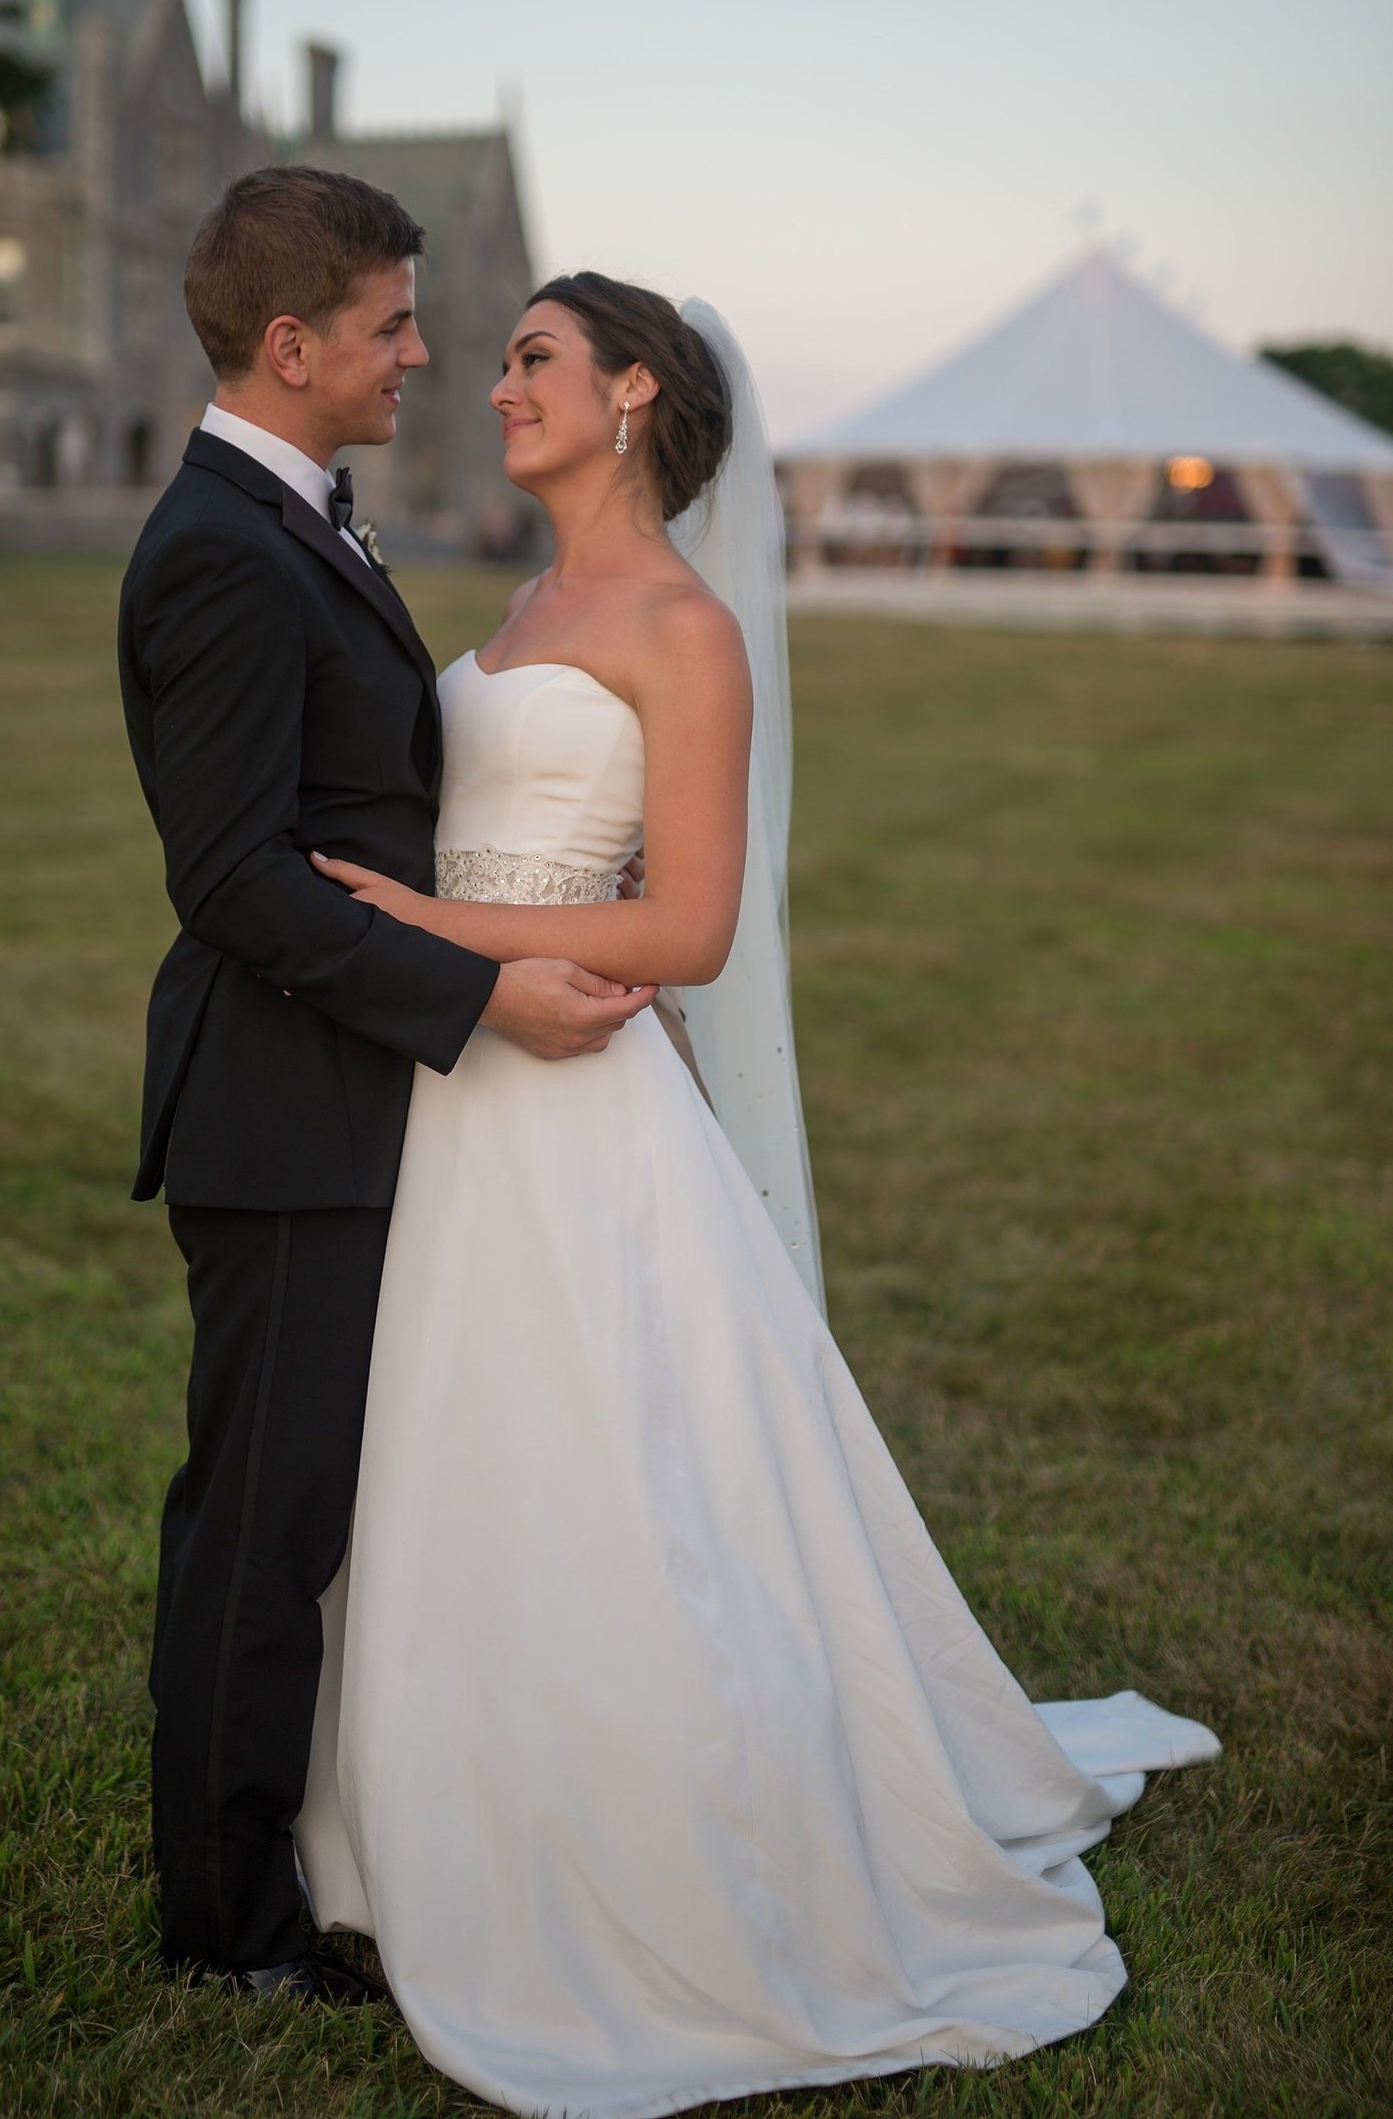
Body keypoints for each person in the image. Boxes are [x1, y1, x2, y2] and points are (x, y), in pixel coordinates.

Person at [291, 273, 1221, 2117]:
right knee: (458, 1449)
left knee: (613, 1470)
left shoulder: (683, 628)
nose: (493, 386)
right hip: (464, 1089)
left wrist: (426, 925)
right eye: (493, 361)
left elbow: (688, 923)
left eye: (532, 359)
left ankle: (649, 1837)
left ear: (635, 390)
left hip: (573, 1098)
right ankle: (442, 1810)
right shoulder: (533, 600)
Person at [116, 174, 655, 2003]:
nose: (424, 353)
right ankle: (228, 1930)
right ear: (293, 346)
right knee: (261, 1526)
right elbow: (238, 879)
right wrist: (486, 990)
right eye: (393, 325)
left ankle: (324, 1849)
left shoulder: (301, 523)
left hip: (349, 1096)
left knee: (319, 1511)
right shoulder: (214, 547)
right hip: (279, 1105)